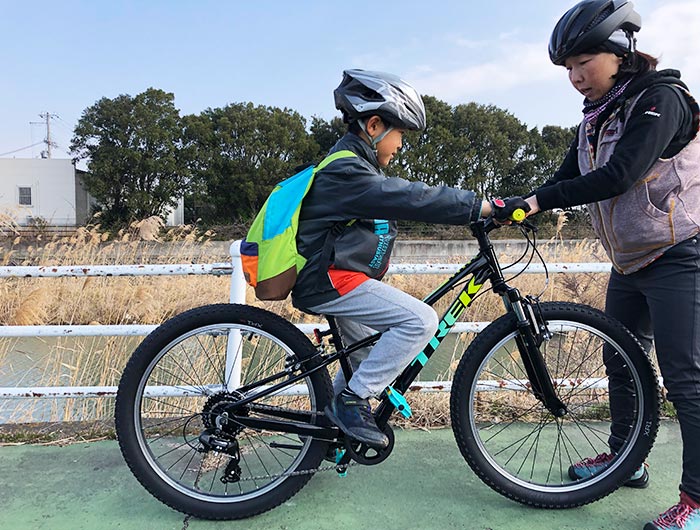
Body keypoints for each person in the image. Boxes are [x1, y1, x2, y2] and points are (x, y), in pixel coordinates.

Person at [522, 1, 700, 528]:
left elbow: (621, 174)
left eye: (584, 61)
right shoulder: (598, 117)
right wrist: (519, 204)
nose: (576, 77)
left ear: (620, 50)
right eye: (568, 69)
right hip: (630, 262)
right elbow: (564, 176)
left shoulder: (660, 100)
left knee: (686, 377)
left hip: (680, 256)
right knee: (621, 361)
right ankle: (628, 459)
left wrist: (538, 203)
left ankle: (697, 501)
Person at [291, 69, 528, 450]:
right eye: (400, 133)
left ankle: (326, 434)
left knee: (364, 356)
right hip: (329, 280)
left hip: (336, 276)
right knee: (420, 321)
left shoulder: (354, 164)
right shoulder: (347, 168)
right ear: (374, 125)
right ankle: (351, 403)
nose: (401, 144)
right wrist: (484, 206)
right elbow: (413, 197)